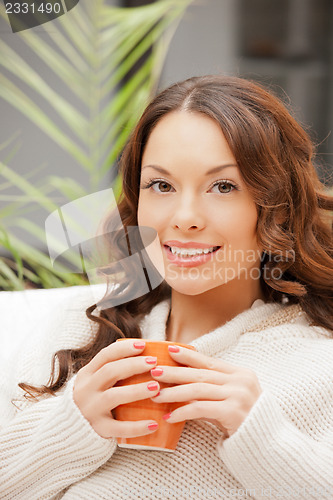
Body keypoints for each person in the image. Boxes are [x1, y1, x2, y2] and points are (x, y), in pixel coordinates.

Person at [1, 75, 333, 499]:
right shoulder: (77, 327)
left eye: (224, 186)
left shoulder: (320, 363)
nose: (185, 216)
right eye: (161, 185)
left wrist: (264, 440)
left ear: (277, 207)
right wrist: (69, 425)